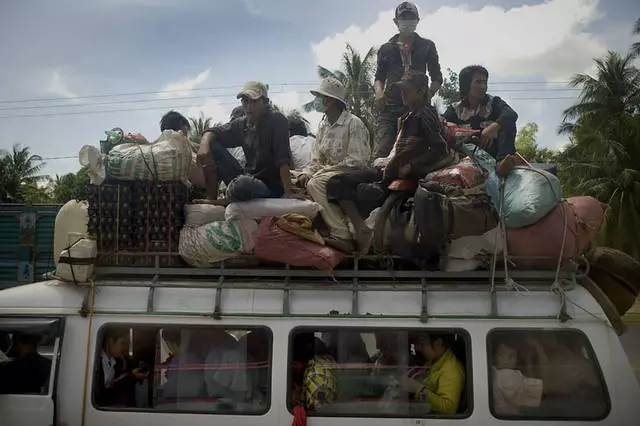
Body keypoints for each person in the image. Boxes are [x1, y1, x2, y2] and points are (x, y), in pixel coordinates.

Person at [296, 77, 372, 253]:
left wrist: (320, 173)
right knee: (296, 178)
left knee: (316, 183)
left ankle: (341, 234)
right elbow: (316, 159)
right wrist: (307, 172)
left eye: (324, 98)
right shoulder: (323, 125)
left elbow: (357, 159)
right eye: (321, 97)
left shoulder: (353, 123)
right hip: (328, 171)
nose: (321, 101)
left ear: (335, 102)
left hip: (351, 171)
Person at [196, 81, 298, 203]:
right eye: (245, 101)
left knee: (241, 185)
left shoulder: (276, 120)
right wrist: (204, 146)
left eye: (254, 101)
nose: (249, 106)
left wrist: (289, 192)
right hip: (246, 177)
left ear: (265, 102)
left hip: (268, 187)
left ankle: (226, 199)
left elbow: (282, 159)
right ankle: (212, 198)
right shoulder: (241, 123)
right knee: (211, 143)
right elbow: (214, 131)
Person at [373, 1, 443, 159]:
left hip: (417, 109)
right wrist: (379, 93)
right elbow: (379, 77)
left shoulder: (427, 46)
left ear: (417, 20)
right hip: (390, 108)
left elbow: (437, 77)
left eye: (411, 17)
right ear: (396, 21)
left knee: (418, 153)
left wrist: (428, 94)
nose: (407, 20)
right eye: (403, 17)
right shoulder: (386, 49)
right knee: (381, 153)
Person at [382, 71, 450, 185]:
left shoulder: (424, 114)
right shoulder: (408, 116)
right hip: (397, 170)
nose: (402, 94)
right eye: (401, 90)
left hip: (411, 175)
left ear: (421, 91)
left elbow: (439, 148)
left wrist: (412, 165)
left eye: (406, 90)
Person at [442, 65, 518, 160]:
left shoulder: (494, 102)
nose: (483, 87)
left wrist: (494, 127)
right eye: (478, 82)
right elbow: (442, 124)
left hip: (494, 152)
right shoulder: (454, 109)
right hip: (466, 155)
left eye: (485, 82)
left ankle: (503, 161)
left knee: (508, 123)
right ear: (467, 84)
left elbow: (511, 113)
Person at [402, 333, 464, 414]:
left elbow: (449, 408)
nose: (419, 349)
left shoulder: (451, 370)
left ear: (438, 343)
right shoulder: (433, 362)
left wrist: (419, 389)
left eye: (423, 345)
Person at [491, 337, 544, 416]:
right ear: (495, 358)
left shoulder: (493, 373)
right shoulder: (506, 375)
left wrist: (527, 361)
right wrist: (538, 348)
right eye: (502, 355)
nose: (506, 360)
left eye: (511, 356)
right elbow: (543, 391)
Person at [95, 329, 147, 407]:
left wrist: (132, 375)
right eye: (122, 343)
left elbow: (117, 380)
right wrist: (131, 377)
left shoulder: (117, 362)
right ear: (111, 342)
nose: (123, 348)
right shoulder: (96, 362)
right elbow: (102, 395)